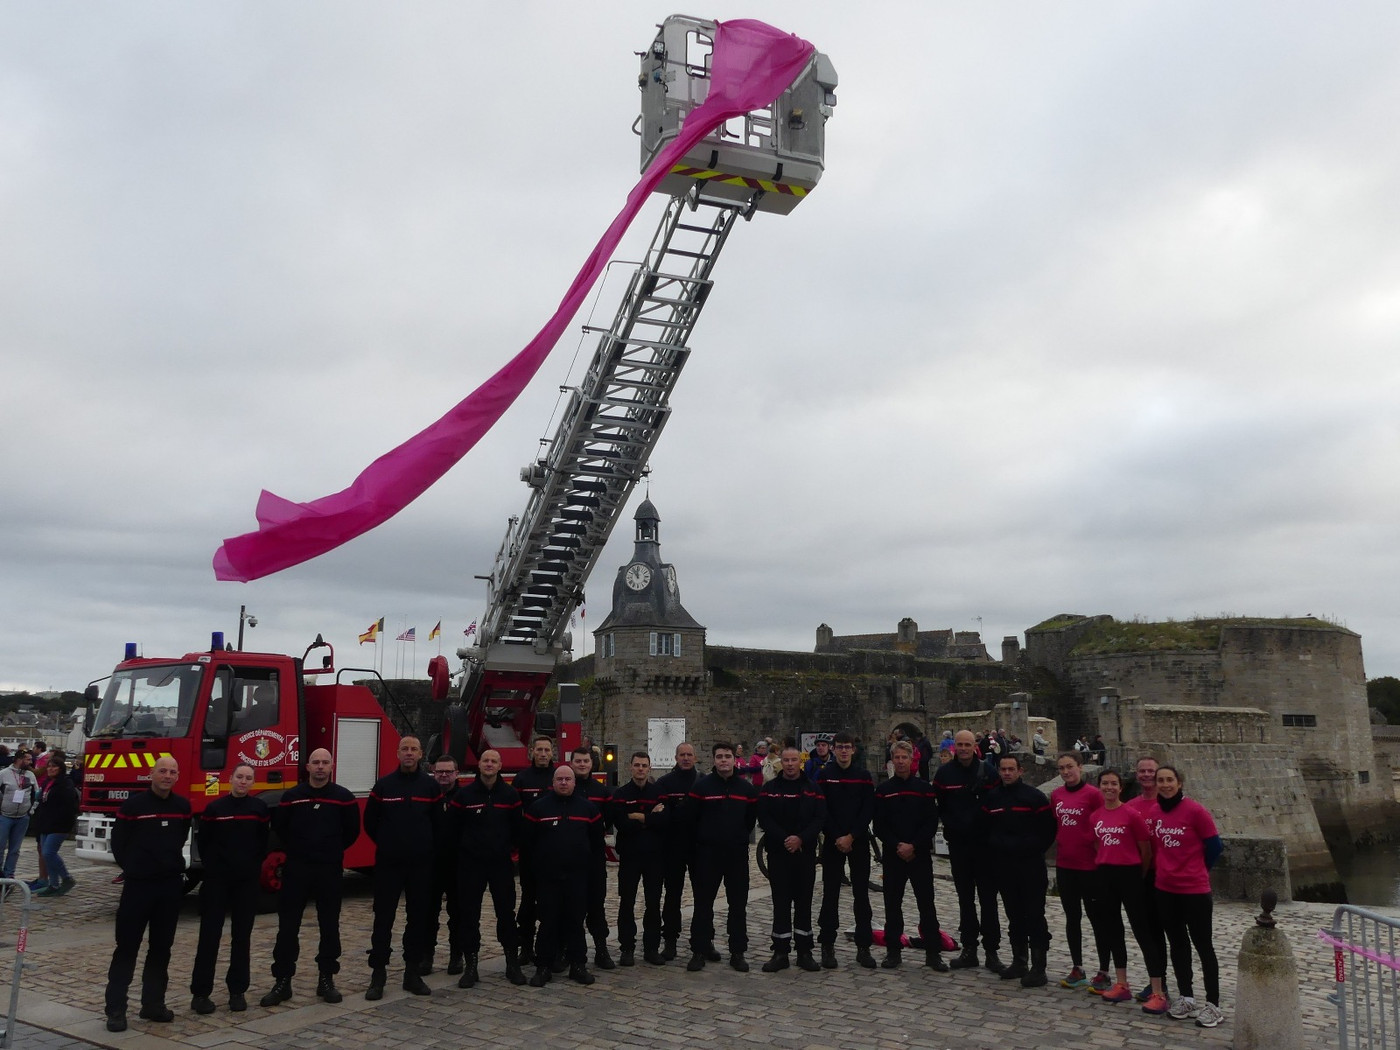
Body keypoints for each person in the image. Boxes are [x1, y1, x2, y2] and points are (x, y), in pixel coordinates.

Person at [260, 747, 361, 1008]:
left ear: (331, 766)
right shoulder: (292, 797)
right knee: (287, 927)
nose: (319, 767)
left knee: (329, 926)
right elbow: (280, 828)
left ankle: (326, 979)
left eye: (324, 762)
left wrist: (330, 849)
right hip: (296, 870)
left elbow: (351, 832)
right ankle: (282, 981)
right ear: (307, 766)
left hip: (328, 870)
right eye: (315, 762)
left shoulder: (344, 798)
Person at [103, 755, 191, 1033]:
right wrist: (135, 868)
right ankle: (116, 1009)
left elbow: (180, 839)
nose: (167, 775)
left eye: (172, 772)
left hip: (168, 888)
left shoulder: (182, 806)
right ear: (151, 774)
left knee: (161, 949)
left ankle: (153, 1003)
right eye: (162, 771)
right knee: (127, 948)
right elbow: (119, 844)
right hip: (138, 887)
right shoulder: (133, 806)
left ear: (178, 776)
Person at [189, 763, 270, 1014]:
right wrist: (215, 869)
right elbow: (205, 842)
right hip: (217, 883)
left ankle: (237, 991)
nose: (243, 781)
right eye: (239, 777)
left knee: (241, 938)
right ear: (231, 779)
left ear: (253, 783)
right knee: (209, 938)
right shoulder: (215, 809)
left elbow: (262, 843)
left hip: (245, 883)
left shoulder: (259, 809)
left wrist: (250, 868)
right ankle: (201, 994)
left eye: (248, 778)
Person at [364, 735, 440, 999]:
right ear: (397, 753)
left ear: (421, 755)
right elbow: (370, 822)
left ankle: (412, 973)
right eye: (405, 749)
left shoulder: (430, 787)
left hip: (420, 865)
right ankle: (378, 975)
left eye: (414, 749)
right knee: (383, 919)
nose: (409, 753)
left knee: (418, 919)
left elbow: (438, 823)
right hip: (389, 864)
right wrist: (389, 843)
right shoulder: (384, 786)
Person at [1150, 766, 1225, 1028]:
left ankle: (1213, 1004)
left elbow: (1215, 846)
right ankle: (1186, 996)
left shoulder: (1195, 811)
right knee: (1178, 944)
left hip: (1194, 889)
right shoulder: (1155, 812)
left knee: (1203, 945)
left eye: (1170, 780)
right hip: (1165, 888)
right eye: (1161, 780)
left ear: (1179, 783)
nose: (1165, 784)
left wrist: (1197, 869)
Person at [1088, 768, 1167, 1011]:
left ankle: (1157, 991)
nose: (1109, 788)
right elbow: (1096, 844)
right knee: (1113, 929)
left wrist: (1138, 875)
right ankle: (1122, 983)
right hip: (1105, 874)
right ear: (1100, 787)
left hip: (1130, 873)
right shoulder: (1096, 816)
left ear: (1120, 788)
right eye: (1105, 784)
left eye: (1113, 784)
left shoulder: (1131, 814)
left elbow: (1145, 850)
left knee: (1142, 930)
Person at [450, 748, 527, 987]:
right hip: (470, 865)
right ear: (479, 765)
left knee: (506, 914)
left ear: (500, 765)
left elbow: (518, 830)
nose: (489, 764)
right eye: (486, 760)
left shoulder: (510, 795)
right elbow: (453, 830)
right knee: (468, 916)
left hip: (500, 865)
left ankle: (512, 964)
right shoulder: (464, 796)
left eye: (494, 761)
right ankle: (471, 966)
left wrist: (508, 851)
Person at [525, 765, 603, 987]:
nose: (564, 783)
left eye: (568, 779)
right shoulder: (538, 808)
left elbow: (597, 843)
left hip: (578, 878)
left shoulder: (588, 809)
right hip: (548, 878)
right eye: (560, 779)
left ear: (574, 782)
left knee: (575, 922)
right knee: (548, 922)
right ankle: (543, 966)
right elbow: (528, 842)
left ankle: (578, 965)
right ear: (553, 782)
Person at [982, 753, 1056, 988]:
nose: (1006, 773)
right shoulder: (992, 799)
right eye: (1003, 769)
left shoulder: (1034, 798)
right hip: (1003, 865)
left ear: (1020, 771)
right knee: (1014, 915)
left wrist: (1029, 849)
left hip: (1030, 865)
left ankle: (1038, 966)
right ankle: (1019, 960)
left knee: (1034, 915)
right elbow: (986, 829)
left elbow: (1047, 831)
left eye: (1011, 769)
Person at [933, 729, 1003, 973]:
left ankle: (992, 951)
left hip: (984, 847)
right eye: (959, 744)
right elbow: (940, 805)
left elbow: (998, 804)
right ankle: (969, 948)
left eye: (967, 744)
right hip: (960, 846)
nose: (963, 748)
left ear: (975, 746)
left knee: (988, 900)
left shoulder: (989, 772)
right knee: (965, 900)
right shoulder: (944, 774)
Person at [685, 741, 758, 973]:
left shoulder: (746, 789)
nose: (724, 760)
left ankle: (737, 952)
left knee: (738, 905)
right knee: (703, 904)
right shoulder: (702, 787)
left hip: (736, 855)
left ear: (733, 759)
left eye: (727, 756)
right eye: (719, 756)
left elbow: (750, 820)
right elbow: (691, 818)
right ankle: (700, 949)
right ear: (713, 759)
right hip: (707, 854)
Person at [874, 739, 945, 971]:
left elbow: (930, 822)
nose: (901, 761)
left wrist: (913, 845)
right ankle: (893, 950)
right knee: (892, 905)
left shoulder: (924, 789)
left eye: (905, 757)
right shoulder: (884, 790)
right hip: (894, 856)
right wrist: (898, 846)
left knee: (927, 904)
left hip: (919, 855)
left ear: (912, 760)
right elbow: (880, 826)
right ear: (892, 761)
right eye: (897, 758)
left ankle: (933, 953)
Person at [758, 746, 825, 973]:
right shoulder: (769, 789)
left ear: (800, 762)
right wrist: (785, 839)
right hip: (779, 853)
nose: (789, 764)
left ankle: (805, 951)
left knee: (804, 903)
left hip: (804, 854)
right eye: (785, 760)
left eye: (793, 760)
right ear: (780, 763)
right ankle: (780, 951)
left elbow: (819, 818)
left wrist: (801, 839)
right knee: (781, 903)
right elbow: (764, 818)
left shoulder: (812, 788)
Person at [817, 731, 876, 969]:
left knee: (861, 894)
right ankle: (827, 944)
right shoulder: (824, 776)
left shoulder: (863, 776)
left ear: (853, 749)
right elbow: (822, 808)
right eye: (839, 747)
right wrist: (838, 836)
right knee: (830, 894)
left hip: (858, 840)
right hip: (833, 841)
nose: (843, 751)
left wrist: (852, 835)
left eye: (847, 747)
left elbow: (867, 809)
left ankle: (864, 946)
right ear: (833, 749)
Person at [1051, 751, 1109, 991]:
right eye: (1062, 768)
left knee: (1098, 920)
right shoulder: (1056, 795)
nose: (1066, 772)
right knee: (1072, 918)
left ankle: (1104, 971)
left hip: (1090, 867)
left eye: (1070, 767)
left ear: (1080, 768)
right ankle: (1077, 967)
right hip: (1066, 866)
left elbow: (1103, 825)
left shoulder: (1094, 795)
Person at [609, 751, 666, 966]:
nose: (641, 769)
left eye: (644, 765)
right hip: (630, 856)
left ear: (649, 768)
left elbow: (664, 822)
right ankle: (627, 947)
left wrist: (635, 816)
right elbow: (621, 824)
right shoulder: (621, 794)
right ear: (630, 767)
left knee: (653, 903)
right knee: (627, 902)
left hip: (654, 856)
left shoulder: (659, 793)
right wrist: (649, 816)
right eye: (637, 765)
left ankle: (651, 948)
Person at [1125, 754, 1168, 1003]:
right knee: (1147, 933)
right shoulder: (1131, 806)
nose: (1146, 775)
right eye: (1142, 771)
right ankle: (1156, 981)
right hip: (1141, 876)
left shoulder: (1170, 804)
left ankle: (1177, 987)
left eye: (1150, 771)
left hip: (1165, 877)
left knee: (1168, 933)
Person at [655, 741, 704, 960]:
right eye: (682, 754)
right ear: (675, 758)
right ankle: (670, 940)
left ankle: (703, 940)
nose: (685, 758)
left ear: (695, 757)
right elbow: (661, 814)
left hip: (698, 847)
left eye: (689, 755)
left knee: (703, 896)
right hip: (672, 847)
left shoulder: (703, 782)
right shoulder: (665, 783)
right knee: (672, 896)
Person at [570, 745, 615, 970]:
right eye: (578, 761)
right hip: (570, 860)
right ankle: (569, 950)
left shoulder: (602, 792)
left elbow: (608, 823)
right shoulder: (565, 788)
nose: (582, 765)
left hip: (594, 858)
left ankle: (601, 949)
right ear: (572, 763)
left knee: (596, 906)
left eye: (585, 761)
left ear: (591, 763)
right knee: (570, 907)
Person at [512, 735, 557, 964]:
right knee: (528, 902)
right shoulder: (522, 779)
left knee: (552, 902)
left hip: (554, 853)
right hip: (530, 853)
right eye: (538, 749)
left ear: (552, 752)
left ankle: (551, 947)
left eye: (546, 750)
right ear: (532, 751)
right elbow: (514, 814)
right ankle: (526, 947)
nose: (542, 754)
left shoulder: (558, 777)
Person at [424, 754, 463, 975]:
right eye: (440, 772)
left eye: (448, 772)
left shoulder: (464, 797)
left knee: (457, 915)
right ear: (433, 772)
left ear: (457, 773)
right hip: (430, 864)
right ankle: (426, 956)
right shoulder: (427, 795)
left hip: (457, 865)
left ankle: (456, 956)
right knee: (428, 914)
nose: (444, 776)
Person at [33, 751, 78, 896]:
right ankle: (53, 884)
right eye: (49, 766)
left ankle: (66, 878)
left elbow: (68, 807)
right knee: (46, 855)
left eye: (54, 767)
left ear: (61, 769)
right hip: (46, 824)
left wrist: (62, 822)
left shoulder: (65, 784)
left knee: (49, 852)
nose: (50, 769)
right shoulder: (47, 782)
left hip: (58, 825)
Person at [0, 749, 38, 883]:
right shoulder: (4, 774)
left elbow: (36, 794)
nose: (30, 762)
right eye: (28, 759)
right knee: (0, 847)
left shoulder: (30, 775)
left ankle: (9, 875)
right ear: (19, 759)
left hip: (22, 817)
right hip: (4, 816)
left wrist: (31, 810)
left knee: (14, 850)